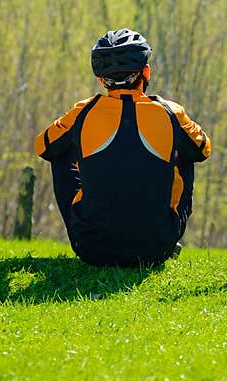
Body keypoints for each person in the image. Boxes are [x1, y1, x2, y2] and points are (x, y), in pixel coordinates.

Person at [34, 28, 211, 267]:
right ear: (145, 72)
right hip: (156, 249)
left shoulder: (83, 112)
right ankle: (159, 230)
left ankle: (92, 224)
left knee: (60, 150)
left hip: (91, 249)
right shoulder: (170, 113)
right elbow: (204, 150)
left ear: (101, 79)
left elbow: (42, 147)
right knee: (187, 153)